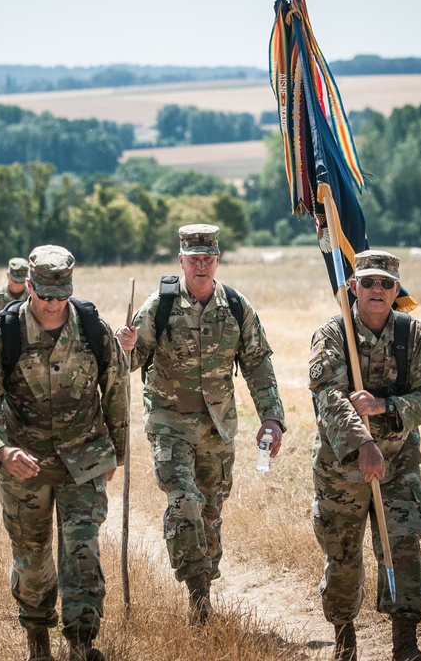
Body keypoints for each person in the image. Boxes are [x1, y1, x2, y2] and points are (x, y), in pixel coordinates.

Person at [115, 224, 286, 624]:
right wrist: (124, 345)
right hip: (169, 422)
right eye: (194, 259)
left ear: (218, 259)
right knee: (185, 502)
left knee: (210, 514)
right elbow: (131, 361)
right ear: (181, 261)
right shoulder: (159, 305)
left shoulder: (238, 308)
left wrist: (272, 419)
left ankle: (203, 589)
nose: (201, 265)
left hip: (218, 427)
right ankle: (197, 594)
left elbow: (258, 364)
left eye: (208, 258)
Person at [0, 245, 128, 661]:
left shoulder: (92, 326)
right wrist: (1, 451)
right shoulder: (7, 332)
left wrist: (116, 453)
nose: (55, 304)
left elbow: (115, 390)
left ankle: (81, 642)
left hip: (84, 457)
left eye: (62, 295)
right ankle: (37, 638)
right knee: (33, 555)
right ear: (30, 287)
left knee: (82, 550)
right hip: (26, 462)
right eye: (46, 296)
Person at [307, 250, 421, 661]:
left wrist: (384, 407)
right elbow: (328, 398)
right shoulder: (332, 334)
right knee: (343, 553)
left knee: (402, 545)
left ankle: (405, 643)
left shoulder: (415, 335)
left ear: (396, 289)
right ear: (353, 286)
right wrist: (363, 444)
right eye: (368, 282)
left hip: (399, 462)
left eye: (386, 284)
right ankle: (344, 637)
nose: (377, 290)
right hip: (342, 465)